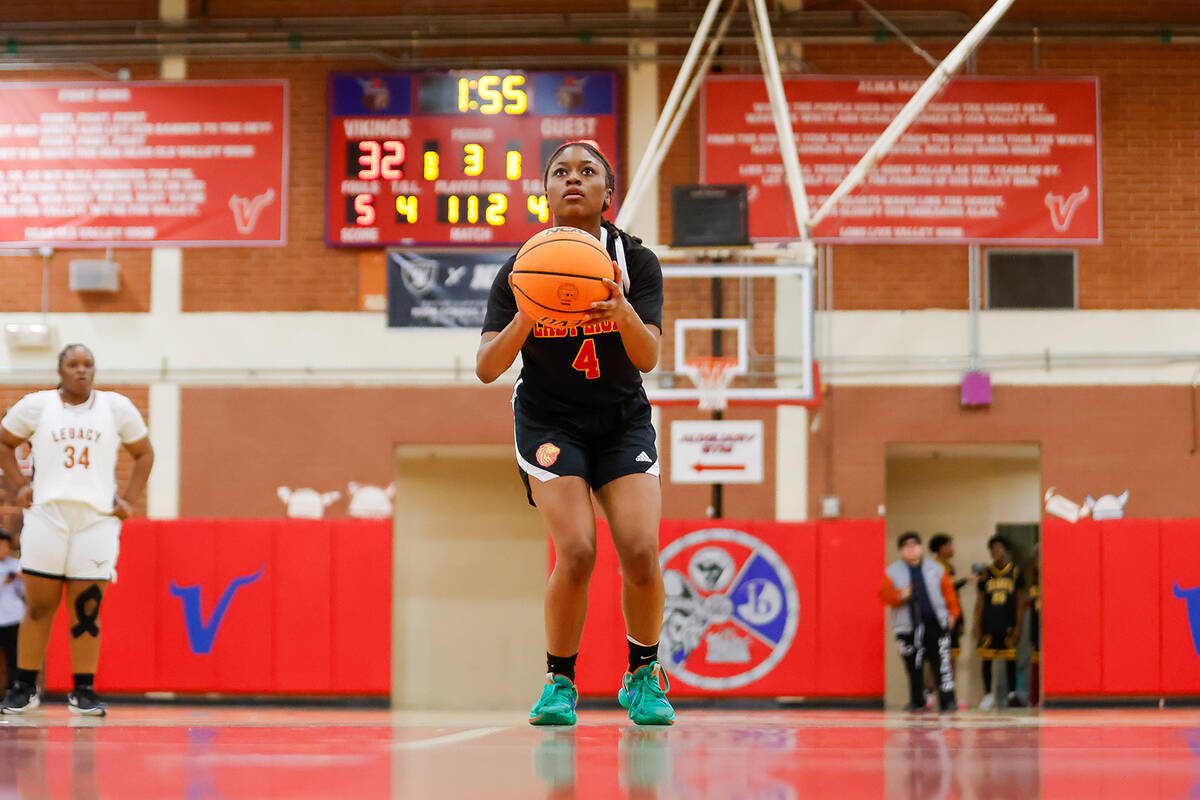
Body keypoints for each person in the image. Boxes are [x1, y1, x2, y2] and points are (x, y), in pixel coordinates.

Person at [476, 140, 672, 726]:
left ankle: (643, 675)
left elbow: (648, 357)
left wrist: (621, 312)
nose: (573, 179)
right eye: (560, 171)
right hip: (549, 419)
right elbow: (486, 366)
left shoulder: (637, 262)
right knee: (579, 550)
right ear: (546, 192)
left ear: (607, 194)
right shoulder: (521, 268)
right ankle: (559, 682)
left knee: (640, 548)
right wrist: (526, 315)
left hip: (620, 418)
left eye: (588, 172)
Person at [0, 344, 154, 716]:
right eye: (73, 364)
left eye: (88, 364)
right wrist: (19, 485)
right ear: (61, 370)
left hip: (96, 520)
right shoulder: (37, 405)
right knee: (39, 607)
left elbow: (144, 453)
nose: (81, 370)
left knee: (87, 610)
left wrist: (129, 499)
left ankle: (83, 690)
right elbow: (5, 442)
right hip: (48, 516)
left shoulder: (116, 407)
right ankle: (24, 687)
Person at [879, 531, 959, 712]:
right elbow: (884, 595)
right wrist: (900, 594)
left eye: (914, 545)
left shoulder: (936, 568)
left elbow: (949, 593)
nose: (911, 549)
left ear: (921, 548)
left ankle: (948, 701)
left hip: (935, 623)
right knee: (913, 665)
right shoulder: (892, 572)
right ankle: (917, 701)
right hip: (907, 627)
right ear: (901, 550)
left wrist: (953, 614)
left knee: (942, 664)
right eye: (906, 546)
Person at [974, 534, 1026, 710]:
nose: (996, 551)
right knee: (987, 659)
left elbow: (1020, 602)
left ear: (1005, 550)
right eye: (993, 549)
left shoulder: (1015, 572)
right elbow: (981, 600)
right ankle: (988, 695)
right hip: (989, 623)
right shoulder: (986, 574)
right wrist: (976, 626)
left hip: (1008, 623)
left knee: (1010, 659)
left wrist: (1018, 626)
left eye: (999, 548)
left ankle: (1011, 694)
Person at [0, 530, 24, 687]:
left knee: (14, 658)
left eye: (5, 546)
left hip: (14, 619)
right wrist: (4, 581)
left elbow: (24, 593)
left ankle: (13, 690)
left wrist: (20, 580)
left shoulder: (16, 565)